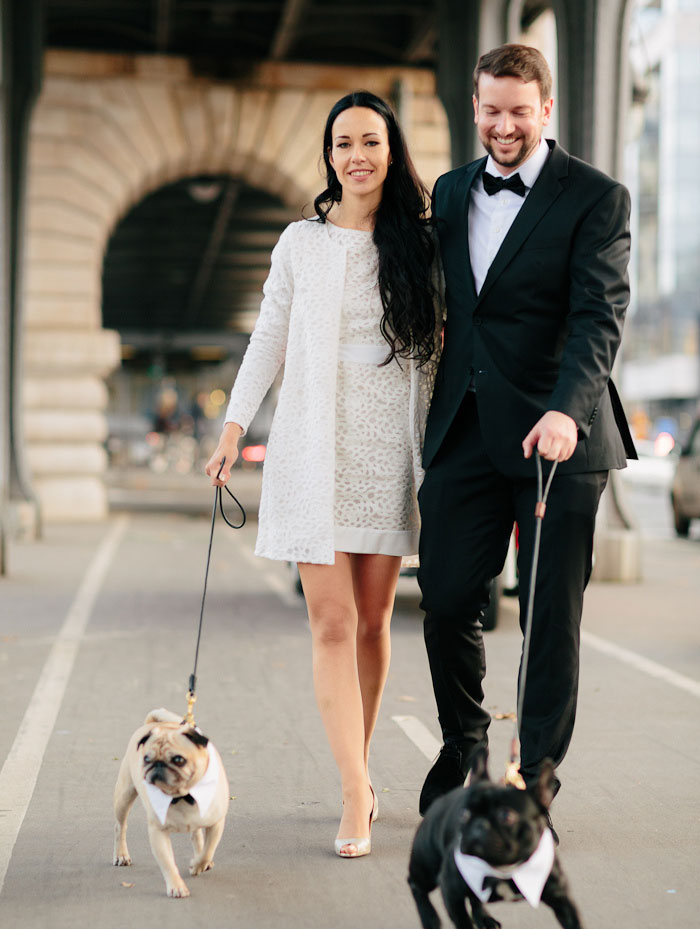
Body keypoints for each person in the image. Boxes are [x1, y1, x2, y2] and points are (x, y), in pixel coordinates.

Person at [206, 91, 440, 858]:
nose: (357, 156)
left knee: (374, 623)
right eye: (343, 143)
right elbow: (268, 335)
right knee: (331, 622)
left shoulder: (422, 242)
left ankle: (362, 770)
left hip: (386, 449)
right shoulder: (300, 243)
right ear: (329, 154)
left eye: (371, 141)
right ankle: (352, 790)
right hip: (313, 444)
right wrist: (233, 428)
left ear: (391, 151)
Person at [416, 44, 637, 836]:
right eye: (491, 110)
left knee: (548, 618)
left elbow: (598, 318)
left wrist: (567, 411)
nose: (503, 126)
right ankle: (464, 744)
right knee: (443, 600)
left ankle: (535, 776)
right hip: (465, 430)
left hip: (559, 440)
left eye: (519, 111)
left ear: (547, 111)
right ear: (475, 107)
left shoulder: (597, 198)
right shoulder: (448, 192)